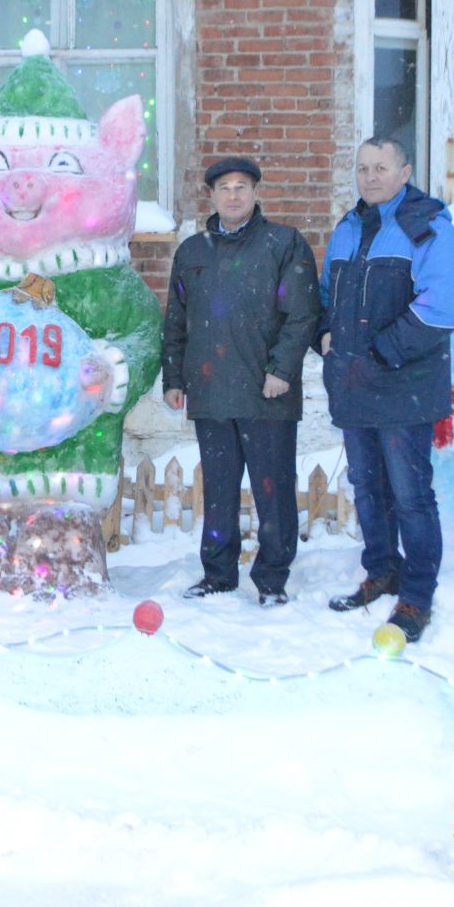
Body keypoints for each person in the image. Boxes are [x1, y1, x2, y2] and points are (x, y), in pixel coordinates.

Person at [318, 137, 454, 643]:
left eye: (380, 167)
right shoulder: (348, 228)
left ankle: (417, 593)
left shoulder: (426, 228)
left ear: (405, 172)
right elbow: (326, 297)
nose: (370, 177)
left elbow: (442, 306)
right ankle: (382, 569)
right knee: (367, 486)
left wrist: (380, 352)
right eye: (362, 168)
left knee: (410, 495)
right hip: (354, 386)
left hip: (404, 385)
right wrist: (326, 337)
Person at [161, 157, 320, 605]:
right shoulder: (192, 252)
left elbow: (302, 313)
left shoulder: (283, 243)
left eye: (241, 187)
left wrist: (281, 372)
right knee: (219, 490)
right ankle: (218, 573)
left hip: (265, 393)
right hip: (211, 393)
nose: (233, 195)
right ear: (211, 196)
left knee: (272, 490)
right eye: (224, 188)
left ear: (254, 193)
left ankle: (272, 579)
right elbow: (176, 321)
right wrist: (173, 377)